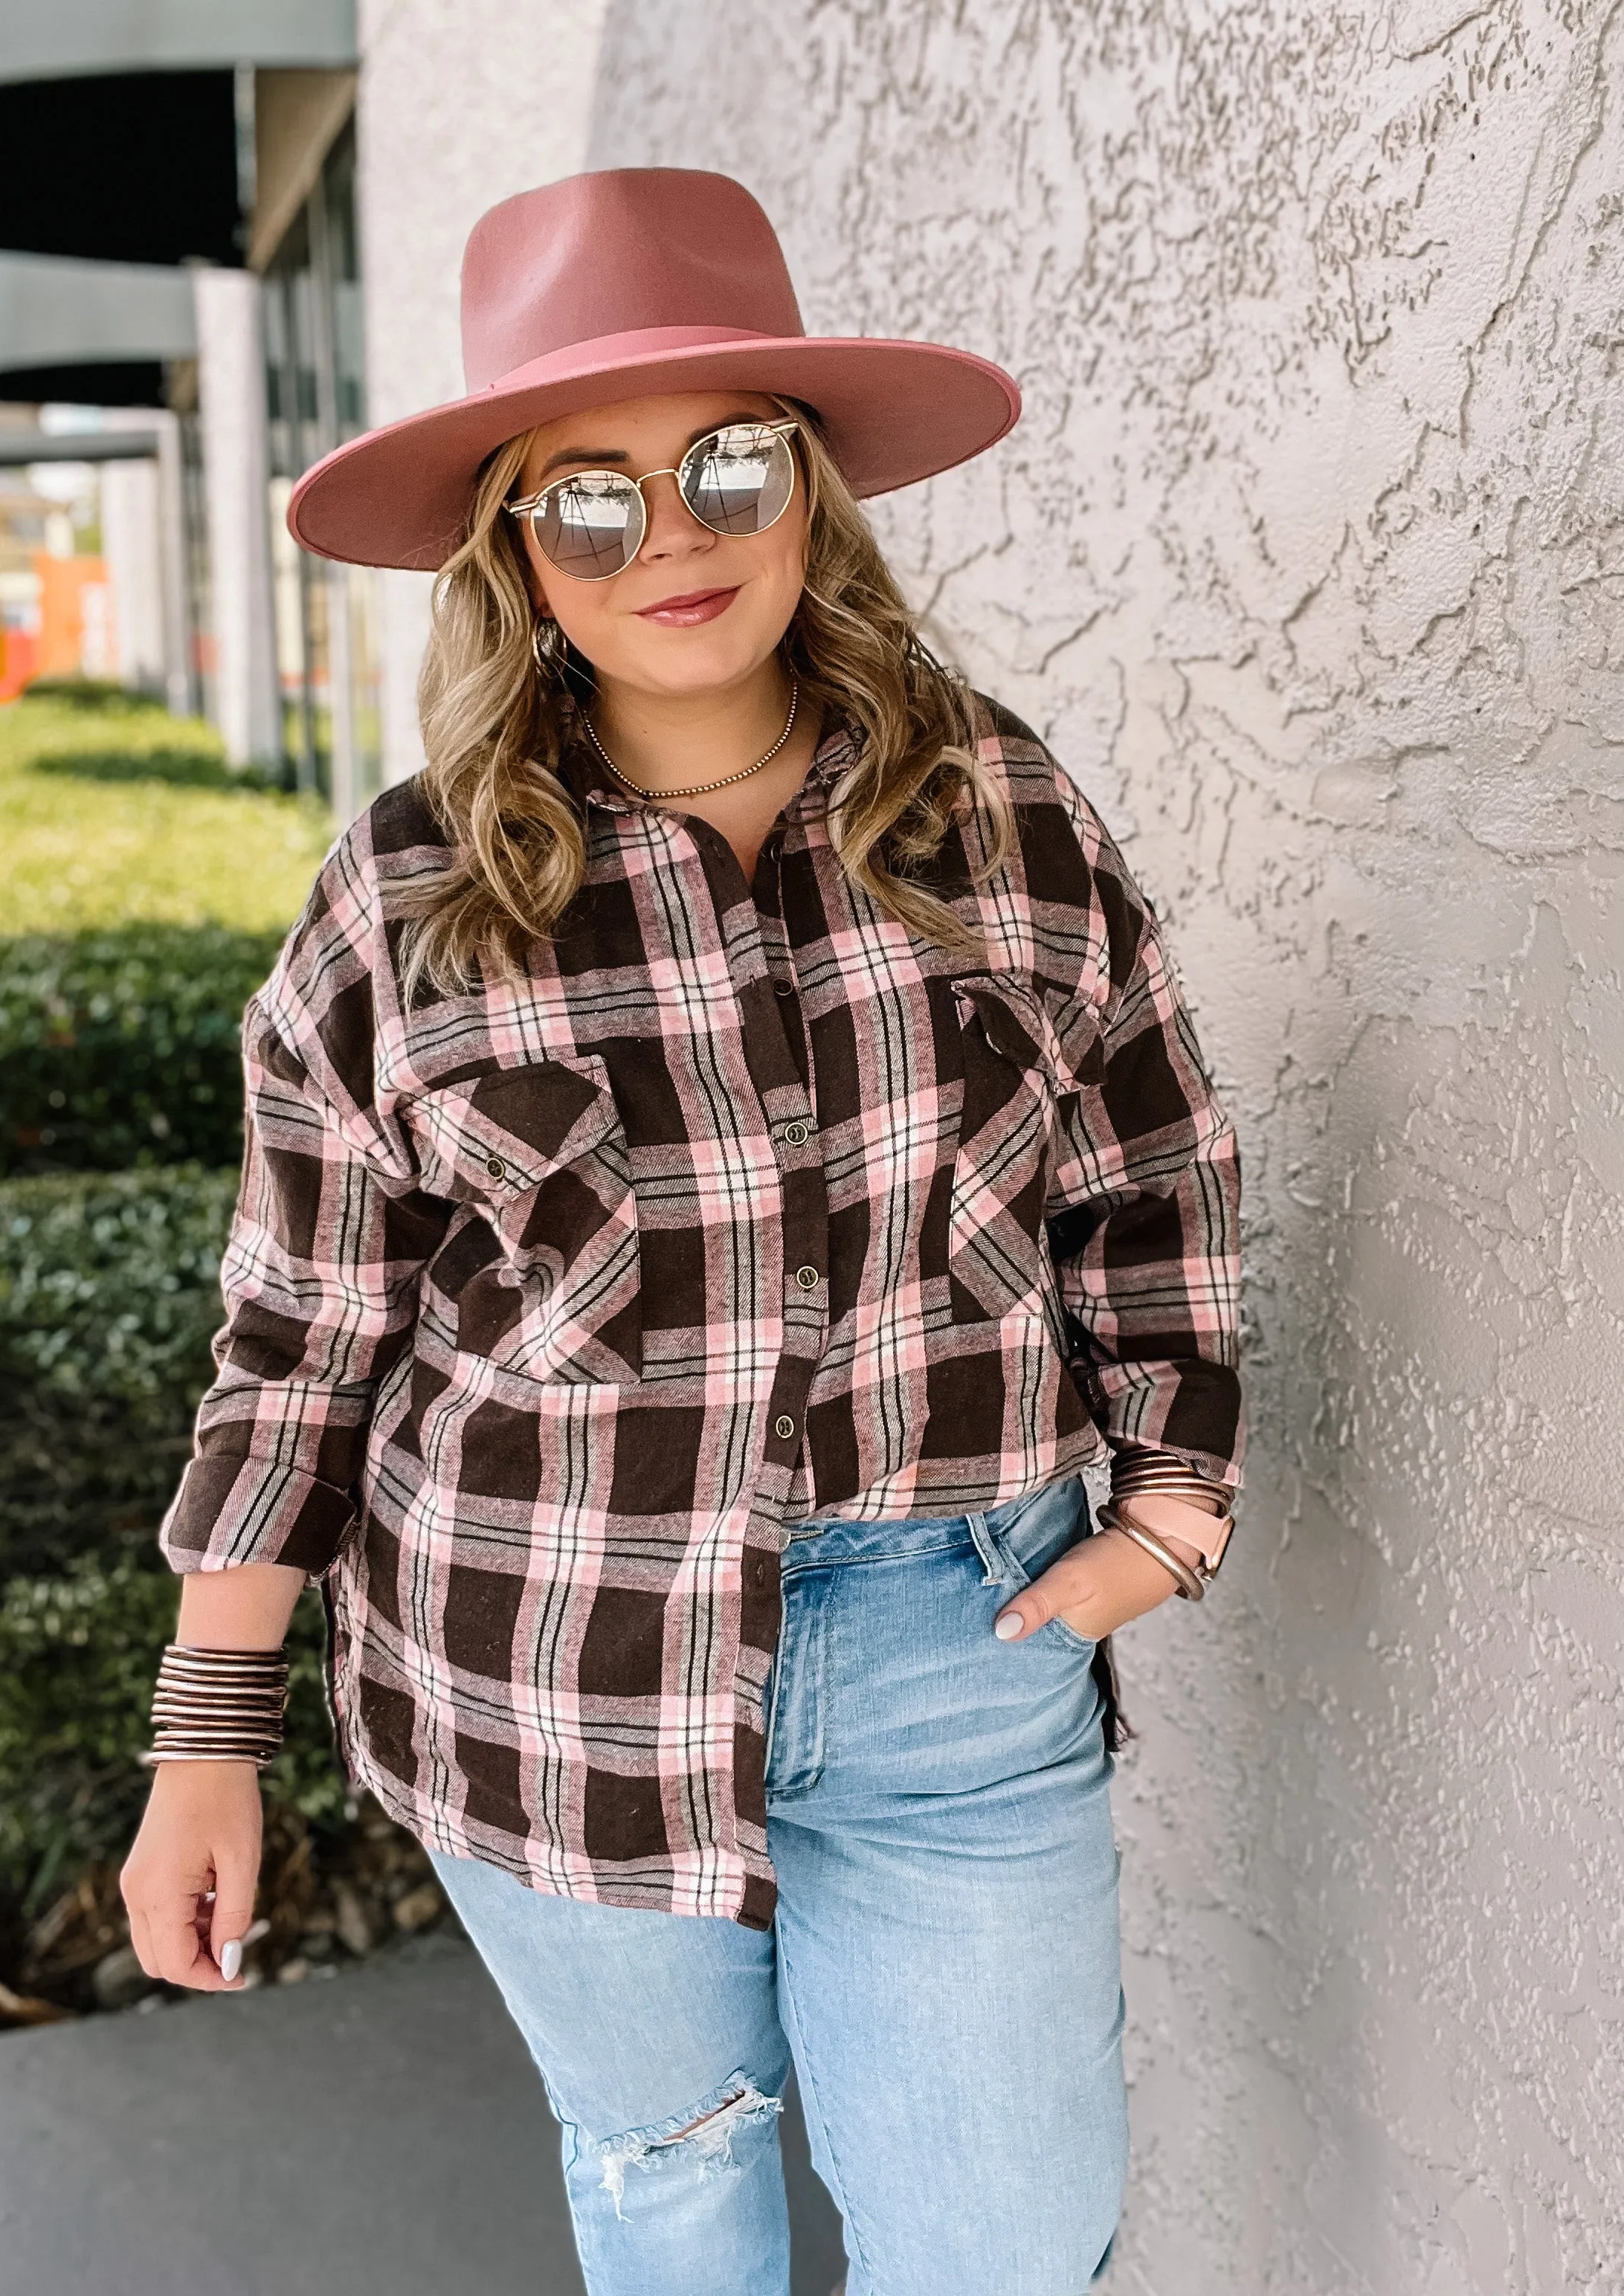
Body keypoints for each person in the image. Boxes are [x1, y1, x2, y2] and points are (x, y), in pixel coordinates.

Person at [122, 169, 1243, 2296]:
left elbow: (1151, 1181)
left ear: (810, 491)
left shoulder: (997, 815)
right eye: (590, 495)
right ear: (514, 550)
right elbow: (297, 1350)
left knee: (1003, 2246)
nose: (677, 537)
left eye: (730, 465)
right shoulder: (409, 902)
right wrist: (206, 1745)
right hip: (536, 1654)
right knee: (669, 2188)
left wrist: (1178, 1505)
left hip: (960, 1649)